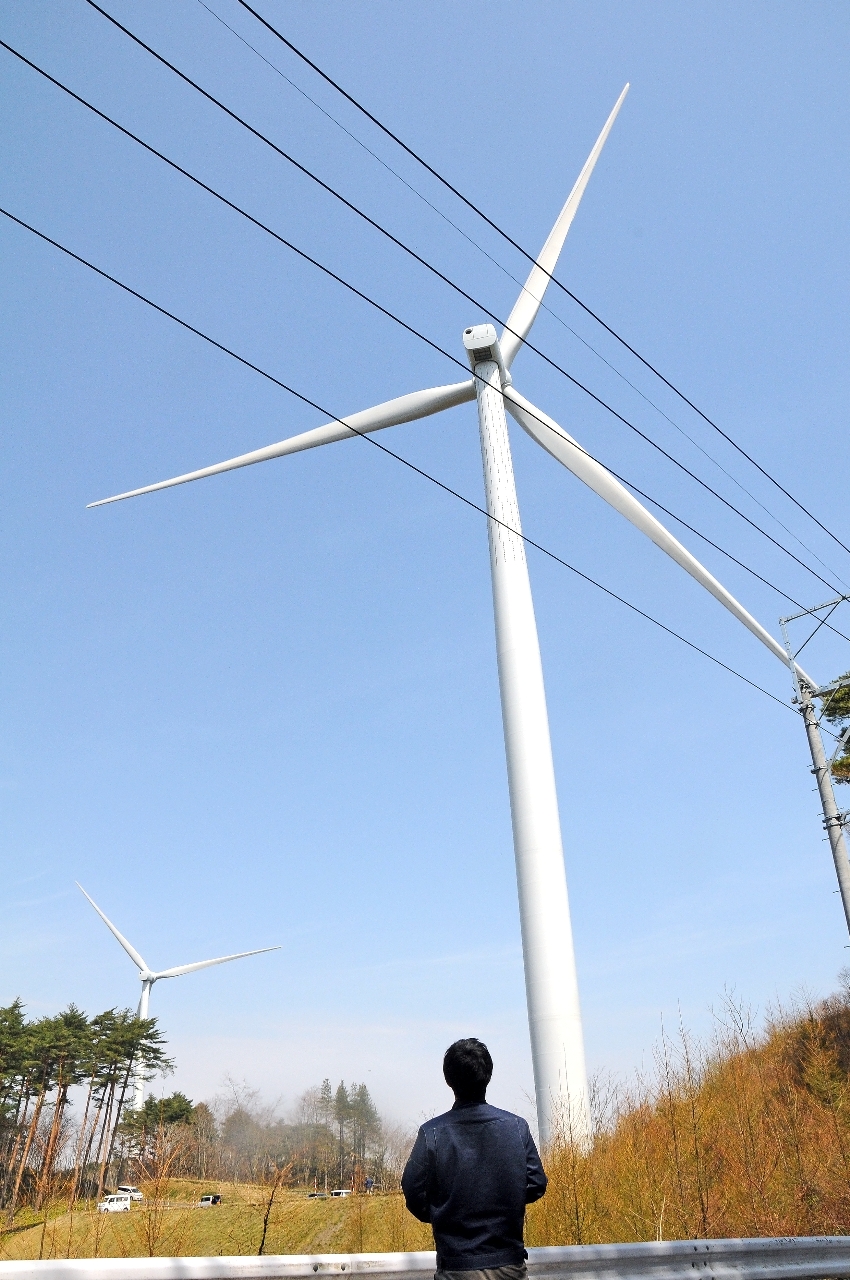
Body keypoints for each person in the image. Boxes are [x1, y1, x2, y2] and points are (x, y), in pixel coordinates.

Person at [401, 1038, 547, 1280]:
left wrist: (440, 1213)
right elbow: (536, 1183)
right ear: (488, 1075)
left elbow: (412, 1190)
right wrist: (507, 1202)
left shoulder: (431, 1133)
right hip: (509, 1266)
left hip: (456, 1267)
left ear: (448, 1079)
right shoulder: (517, 1127)